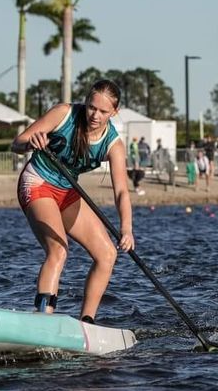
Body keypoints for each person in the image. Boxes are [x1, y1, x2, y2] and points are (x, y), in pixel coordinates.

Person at [11, 79, 134, 323]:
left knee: (107, 253)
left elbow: (121, 191)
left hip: (67, 191)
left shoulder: (114, 145)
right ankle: (43, 319)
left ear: (115, 112)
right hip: (38, 182)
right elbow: (17, 143)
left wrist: (126, 229)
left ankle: (86, 323)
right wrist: (30, 143)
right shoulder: (64, 114)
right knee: (58, 250)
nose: (95, 115)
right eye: (91, 107)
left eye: (103, 111)